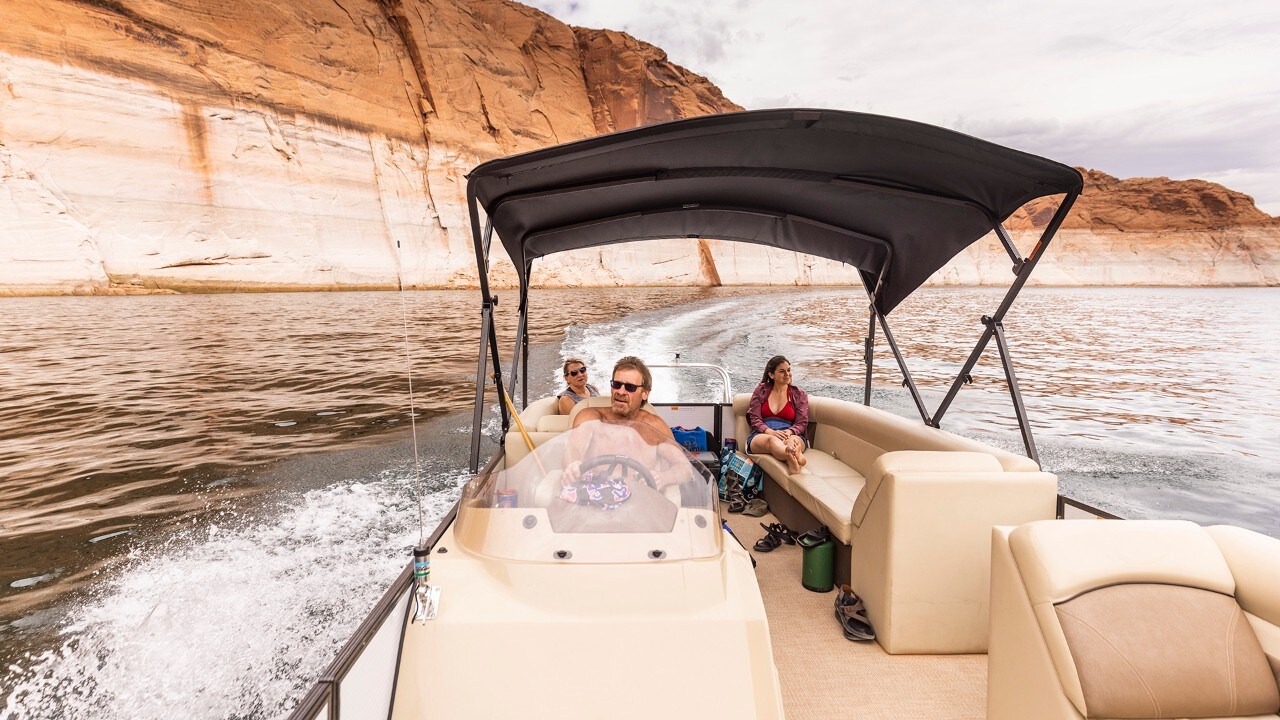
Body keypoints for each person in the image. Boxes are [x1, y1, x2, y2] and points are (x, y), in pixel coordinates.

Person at [562, 356, 689, 490]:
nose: (620, 392)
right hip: (593, 499)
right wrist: (573, 465)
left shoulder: (654, 425)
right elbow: (572, 449)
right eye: (616, 385)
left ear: (645, 393)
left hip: (639, 502)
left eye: (630, 387)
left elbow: (684, 467)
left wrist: (663, 478)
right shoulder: (590, 417)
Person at [746, 355, 809, 474]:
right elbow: (754, 417)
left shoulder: (799, 394)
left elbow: (802, 422)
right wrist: (770, 431)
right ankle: (791, 454)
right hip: (763, 433)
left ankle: (792, 453)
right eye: (782, 371)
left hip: (790, 432)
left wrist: (789, 432)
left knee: (792, 441)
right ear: (771, 375)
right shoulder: (761, 390)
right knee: (772, 441)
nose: (787, 374)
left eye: (789, 370)